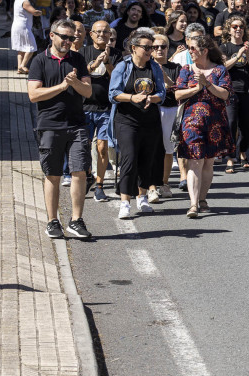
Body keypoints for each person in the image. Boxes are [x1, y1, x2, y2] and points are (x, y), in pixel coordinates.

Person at [27, 19, 93, 239]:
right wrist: (63, 86)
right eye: (63, 37)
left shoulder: (78, 59)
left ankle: (76, 220)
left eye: (71, 37)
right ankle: (52, 221)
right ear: (51, 36)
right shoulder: (39, 60)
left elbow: (88, 92)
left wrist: (75, 84)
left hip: (76, 125)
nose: (67, 41)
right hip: (49, 126)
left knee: (79, 172)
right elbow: (34, 94)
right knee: (53, 175)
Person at [174, 34, 235, 218]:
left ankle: (202, 198)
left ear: (204, 50)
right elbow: (177, 95)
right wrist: (196, 88)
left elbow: (225, 95)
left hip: (215, 122)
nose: (190, 51)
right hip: (191, 122)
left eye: (193, 48)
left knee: (208, 162)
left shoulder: (219, 70)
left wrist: (207, 83)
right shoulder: (186, 70)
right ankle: (193, 204)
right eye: (189, 48)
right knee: (194, 160)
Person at [109, 29, 166, 219]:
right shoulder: (122, 66)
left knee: (146, 160)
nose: (150, 50)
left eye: (152, 47)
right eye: (146, 47)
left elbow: (162, 93)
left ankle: (142, 198)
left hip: (150, 121)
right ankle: (125, 201)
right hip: (127, 120)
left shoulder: (155, 67)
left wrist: (153, 98)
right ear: (134, 48)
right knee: (129, 159)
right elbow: (113, 94)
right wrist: (132, 97)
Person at [81, 21, 121, 202]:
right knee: (82, 147)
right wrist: (94, 64)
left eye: (105, 32)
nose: (102, 35)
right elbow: (79, 76)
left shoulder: (117, 54)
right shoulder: (82, 53)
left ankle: (99, 185)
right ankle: (88, 174)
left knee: (102, 147)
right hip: (84, 107)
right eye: (98, 32)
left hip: (106, 108)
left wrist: (108, 63)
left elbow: (118, 80)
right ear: (91, 34)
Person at [220, 15, 249, 173]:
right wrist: (239, 53)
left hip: (247, 90)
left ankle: (242, 152)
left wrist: (247, 53)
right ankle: (230, 157)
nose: (238, 29)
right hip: (230, 91)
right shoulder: (224, 48)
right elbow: (223, 67)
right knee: (231, 123)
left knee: (247, 126)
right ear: (229, 29)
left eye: (241, 27)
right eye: (234, 27)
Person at [150, 34, 180, 201]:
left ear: (169, 49)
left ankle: (164, 183)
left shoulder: (176, 67)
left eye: (163, 47)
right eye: (155, 47)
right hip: (152, 110)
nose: (160, 50)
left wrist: (164, 76)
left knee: (168, 149)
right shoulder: (146, 66)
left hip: (170, 110)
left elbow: (178, 90)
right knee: (152, 149)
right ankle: (152, 186)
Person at [11, 0, 42, 74]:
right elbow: (34, 12)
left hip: (16, 26)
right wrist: (40, 12)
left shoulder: (17, 0)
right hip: (23, 27)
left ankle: (19, 67)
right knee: (32, 47)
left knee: (21, 49)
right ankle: (23, 65)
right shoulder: (25, 1)